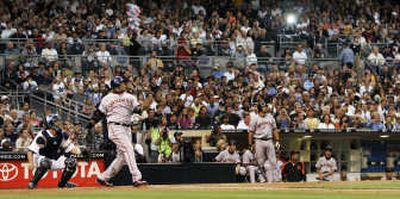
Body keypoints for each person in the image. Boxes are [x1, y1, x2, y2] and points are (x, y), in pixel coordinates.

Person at [90, 76, 147, 187]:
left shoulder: (130, 97)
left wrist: (142, 107)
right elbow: (99, 114)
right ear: (116, 86)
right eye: (121, 84)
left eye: (123, 83)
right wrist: (90, 124)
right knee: (129, 149)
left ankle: (103, 177)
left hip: (127, 128)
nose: (124, 85)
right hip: (115, 126)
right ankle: (136, 178)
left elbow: (137, 109)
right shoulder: (107, 98)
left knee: (122, 157)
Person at [27, 114, 81, 189]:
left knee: (72, 162)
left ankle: (63, 184)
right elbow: (30, 150)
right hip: (41, 158)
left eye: (58, 121)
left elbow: (69, 148)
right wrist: (31, 163)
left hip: (54, 158)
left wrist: (79, 151)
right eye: (56, 121)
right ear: (51, 124)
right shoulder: (43, 135)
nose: (59, 123)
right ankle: (33, 182)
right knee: (45, 163)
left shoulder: (61, 134)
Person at [248, 105, 280, 183]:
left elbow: (275, 129)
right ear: (260, 109)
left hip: (269, 140)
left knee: (273, 161)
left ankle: (275, 179)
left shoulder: (270, 117)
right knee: (260, 161)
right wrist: (250, 144)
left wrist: (277, 140)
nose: (266, 108)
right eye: (264, 107)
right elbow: (251, 132)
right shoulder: (255, 118)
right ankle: (262, 178)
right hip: (259, 140)